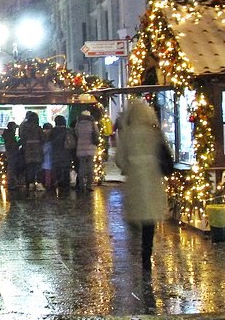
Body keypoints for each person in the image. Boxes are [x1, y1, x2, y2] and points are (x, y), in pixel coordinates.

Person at [114, 99, 171, 271]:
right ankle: (147, 254)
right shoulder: (154, 132)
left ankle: (135, 250)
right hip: (152, 178)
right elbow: (165, 153)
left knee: (135, 214)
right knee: (149, 219)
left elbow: (119, 159)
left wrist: (128, 166)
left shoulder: (127, 133)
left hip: (135, 180)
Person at [73, 109, 100, 191]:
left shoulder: (78, 123)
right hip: (91, 147)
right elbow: (97, 133)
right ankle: (89, 186)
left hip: (81, 148)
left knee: (81, 167)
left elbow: (76, 133)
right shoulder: (92, 123)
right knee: (90, 167)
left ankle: (81, 185)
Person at [19, 112, 44, 189]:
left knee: (29, 167)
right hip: (37, 150)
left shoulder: (24, 128)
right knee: (38, 167)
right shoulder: (38, 128)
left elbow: (22, 138)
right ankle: (39, 183)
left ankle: (30, 184)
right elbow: (43, 138)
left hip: (28, 150)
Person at [50, 115, 72, 190]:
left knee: (57, 170)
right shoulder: (68, 130)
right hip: (66, 153)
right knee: (66, 170)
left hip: (55, 154)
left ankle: (58, 183)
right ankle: (66, 186)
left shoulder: (52, 131)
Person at [1, 121, 22, 186]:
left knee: (11, 167)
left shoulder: (7, 134)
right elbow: (14, 145)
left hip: (10, 153)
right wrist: (21, 141)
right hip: (12, 153)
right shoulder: (9, 135)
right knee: (12, 168)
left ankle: (11, 181)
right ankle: (11, 182)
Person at [41, 122, 54, 190]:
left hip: (45, 159)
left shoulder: (43, 139)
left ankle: (47, 184)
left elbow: (43, 150)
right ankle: (49, 184)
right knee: (48, 172)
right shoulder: (53, 138)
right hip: (50, 159)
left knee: (47, 172)